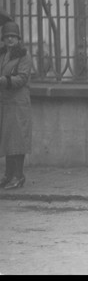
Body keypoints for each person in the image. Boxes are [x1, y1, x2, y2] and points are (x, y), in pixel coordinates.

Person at [0, 22, 34, 190]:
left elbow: (21, 79)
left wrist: (3, 80)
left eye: (13, 36)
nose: (10, 39)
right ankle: (8, 175)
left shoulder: (24, 56)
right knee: (6, 140)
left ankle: (18, 176)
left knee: (17, 140)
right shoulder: (3, 54)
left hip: (18, 103)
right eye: (7, 37)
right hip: (5, 103)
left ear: (18, 38)